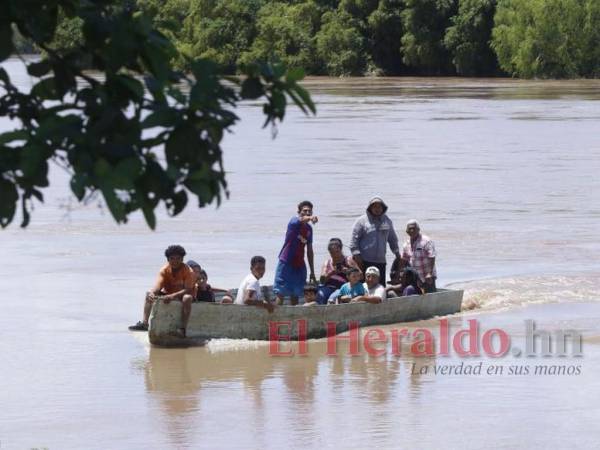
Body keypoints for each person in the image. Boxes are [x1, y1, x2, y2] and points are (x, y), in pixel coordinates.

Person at [129, 245, 195, 338]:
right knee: (149, 294)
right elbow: (158, 286)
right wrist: (153, 293)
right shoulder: (164, 270)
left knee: (187, 297)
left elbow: (188, 289)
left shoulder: (188, 271)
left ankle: (183, 329)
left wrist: (172, 296)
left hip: (186, 296)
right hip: (169, 294)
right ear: (168, 259)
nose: (175, 261)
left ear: (182, 259)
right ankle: (144, 323)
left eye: (178, 258)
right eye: (172, 258)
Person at [273, 200, 318, 305]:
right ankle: (275, 318)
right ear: (299, 212)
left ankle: (293, 317)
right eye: (304, 211)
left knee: (296, 293)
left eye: (309, 211)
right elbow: (302, 219)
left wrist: (312, 271)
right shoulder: (294, 221)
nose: (307, 213)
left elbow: (310, 251)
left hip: (299, 264)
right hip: (286, 262)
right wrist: (311, 218)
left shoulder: (309, 229)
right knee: (281, 292)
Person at [350, 196, 400, 286]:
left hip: (381, 261)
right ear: (370, 208)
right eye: (375, 207)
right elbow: (354, 242)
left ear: (383, 208)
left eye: (379, 207)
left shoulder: (387, 221)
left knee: (380, 287)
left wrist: (397, 253)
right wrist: (357, 256)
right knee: (364, 287)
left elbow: (392, 239)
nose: (377, 209)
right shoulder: (361, 221)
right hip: (364, 261)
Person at [317, 237, 360, 304]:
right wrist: (331, 272)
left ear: (341, 249)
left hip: (343, 287)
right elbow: (322, 280)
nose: (335, 255)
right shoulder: (327, 263)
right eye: (332, 253)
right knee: (321, 295)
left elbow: (361, 275)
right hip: (329, 287)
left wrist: (349, 272)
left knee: (334, 298)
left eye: (337, 252)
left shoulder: (348, 260)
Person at [401, 220, 437, 293]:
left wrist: (429, 273)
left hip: (427, 275)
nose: (412, 230)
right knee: (415, 295)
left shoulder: (426, 241)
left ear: (418, 229)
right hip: (414, 277)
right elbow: (404, 260)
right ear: (406, 231)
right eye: (409, 229)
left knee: (431, 297)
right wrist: (401, 273)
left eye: (414, 228)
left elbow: (432, 256)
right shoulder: (406, 244)